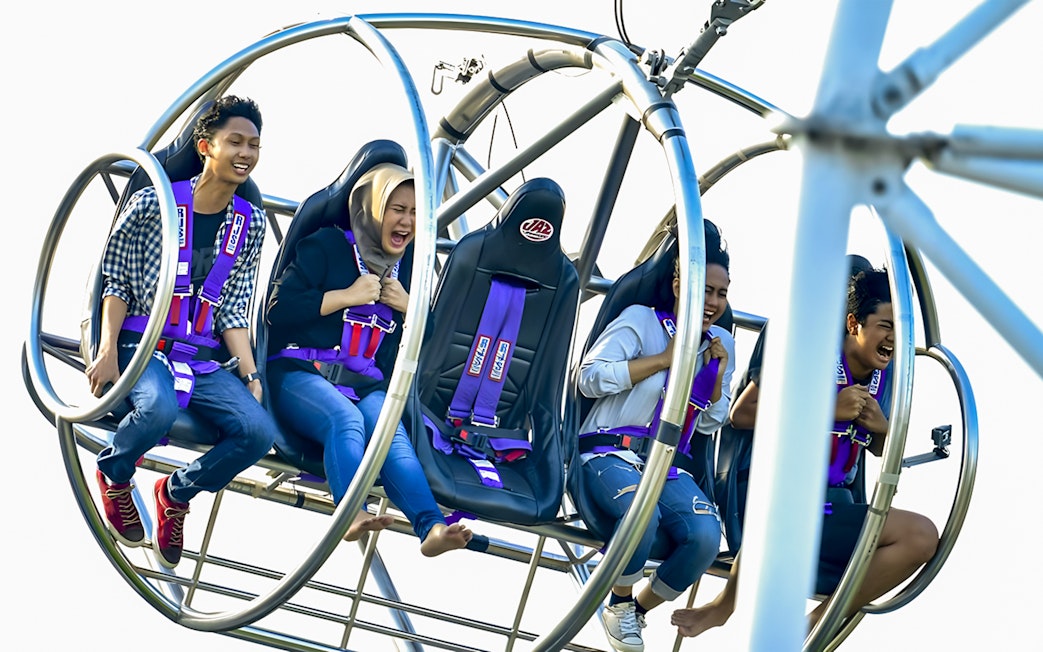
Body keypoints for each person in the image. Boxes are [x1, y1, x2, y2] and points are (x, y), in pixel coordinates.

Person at [671, 267, 939, 638]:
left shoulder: (887, 375)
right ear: (854, 323)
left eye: (903, 329)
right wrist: (827, 409)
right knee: (788, 503)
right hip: (778, 499)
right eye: (886, 326)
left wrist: (882, 428)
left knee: (921, 537)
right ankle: (724, 605)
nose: (894, 339)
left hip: (832, 507)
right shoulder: (811, 353)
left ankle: (816, 622)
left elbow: (880, 450)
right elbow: (742, 413)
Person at [85, 96, 279, 569]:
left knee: (258, 432)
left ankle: (175, 493)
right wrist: (107, 350)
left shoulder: (249, 224)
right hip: (142, 342)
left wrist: (251, 376)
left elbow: (233, 309)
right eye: (235, 142)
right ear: (206, 146)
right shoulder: (154, 204)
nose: (246, 153)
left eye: (254, 145)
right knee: (158, 408)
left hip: (198, 357)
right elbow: (117, 282)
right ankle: (114, 473)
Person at [265, 163, 472, 557]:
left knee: (391, 436)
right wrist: (345, 297)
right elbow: (279, 310)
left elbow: (430, 344)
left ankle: (431, 527)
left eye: (415, 213)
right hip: (300, 370)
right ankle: (350, 512)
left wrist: (413, 310)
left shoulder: (407, 268)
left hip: (363, 382)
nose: (407, 222)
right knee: (346, 419)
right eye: (398, 209)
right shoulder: (326, 245)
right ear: (372, 209)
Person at [577, 225, 734, 652]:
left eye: (721, 294)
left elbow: (709, 423)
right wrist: (664, 360)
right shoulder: (640, 320)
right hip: (609, 450)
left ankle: (630, 608)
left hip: (667, 463)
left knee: (706, 537)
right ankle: (620, 598)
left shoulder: (720, 343)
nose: (713, 302)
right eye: (705, 290)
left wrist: (716, 376)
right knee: (641, 517)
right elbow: (588, 378)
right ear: (680, 285)